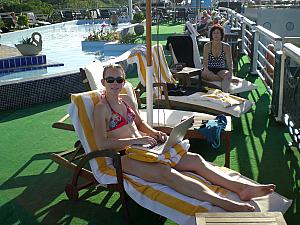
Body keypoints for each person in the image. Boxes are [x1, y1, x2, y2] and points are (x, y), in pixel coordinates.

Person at [93, 63, 276, 212]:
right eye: (111, 79)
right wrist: (137, 140)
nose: (115, 83)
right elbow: (101, 144)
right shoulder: (101, 108)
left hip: (145, 147)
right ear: (103, 81)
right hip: (123, 156)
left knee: (195, 159)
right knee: (166, 173)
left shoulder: (125, 101)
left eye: (119, 79)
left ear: (124, 81)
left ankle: (241, 189)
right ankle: (223, 202)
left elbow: (140, 125)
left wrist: (154, 133)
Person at [202, 24, 238, 92]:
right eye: (214, 33)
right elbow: (205, 61)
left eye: (218, 33)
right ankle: (228, 79)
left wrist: (230, 71)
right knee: (205, 75)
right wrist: (206, 70)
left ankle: (225, 94)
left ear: (221, 35)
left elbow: (229, 61)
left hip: (221, 69)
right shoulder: (207, 46)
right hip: (209, 68)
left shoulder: (226, 46)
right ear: (211, 35)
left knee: (227, 75)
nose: (216, 35)